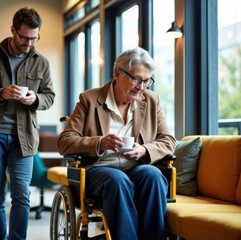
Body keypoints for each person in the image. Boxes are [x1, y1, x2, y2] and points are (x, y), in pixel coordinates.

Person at [57, 47, 175, 240]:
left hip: (136, 168)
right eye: (136, 79)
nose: (142, 86)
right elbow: (64, 141)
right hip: (99, 170)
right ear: (117, 73)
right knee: (117, 180)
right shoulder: (89, 99)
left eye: (147, 81)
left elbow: (168, 140)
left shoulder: (152, 101)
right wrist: (100, 142)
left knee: (153, 175)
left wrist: (144, 149)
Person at [0, 7, 55, 240]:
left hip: (23, 138)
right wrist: (1, 93)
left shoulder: (41, 63)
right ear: (13, 30)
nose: (29, 43)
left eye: (34, 38)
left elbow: (49, 97)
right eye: (24, 37)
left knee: (22, 196)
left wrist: (35, 99)